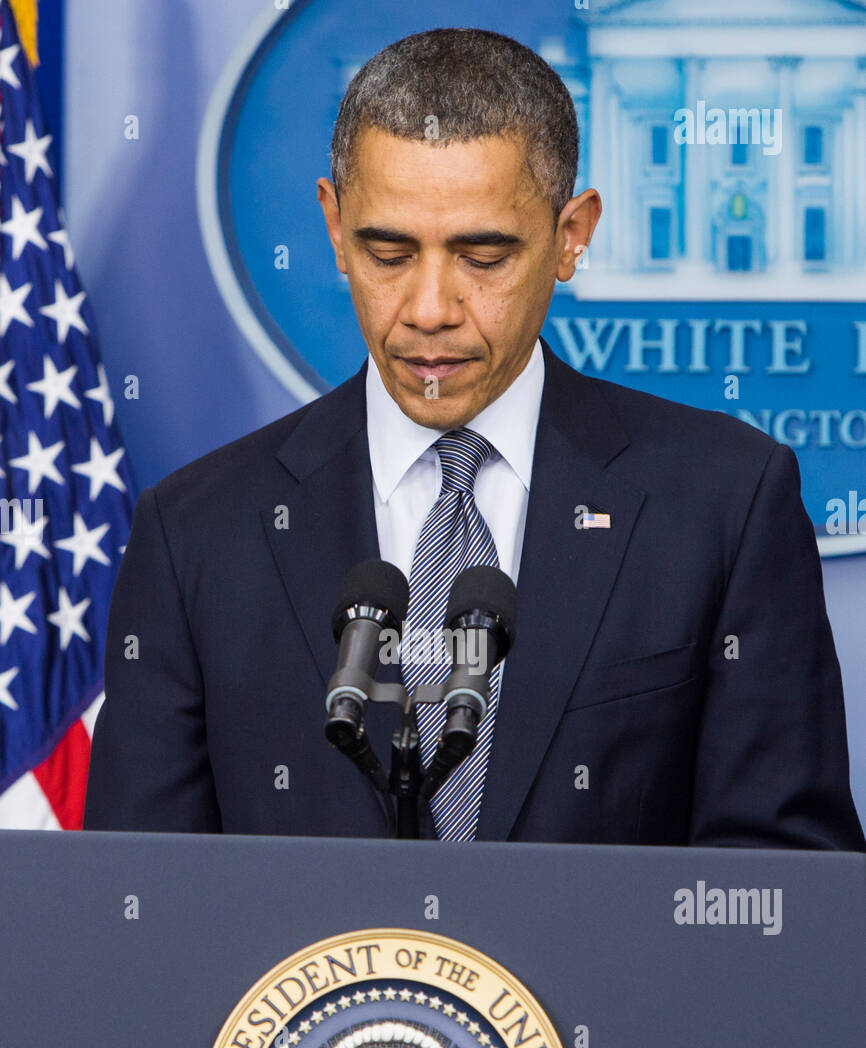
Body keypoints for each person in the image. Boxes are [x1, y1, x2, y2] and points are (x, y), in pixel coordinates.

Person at [83, 28, 864, 850]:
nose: (429, 309)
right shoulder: (196, 531)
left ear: (572, 235)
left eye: (482, 256)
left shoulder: (725, 506)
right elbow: (139, 909)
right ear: (333, 225)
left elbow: (782, 897)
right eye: (387, 252)